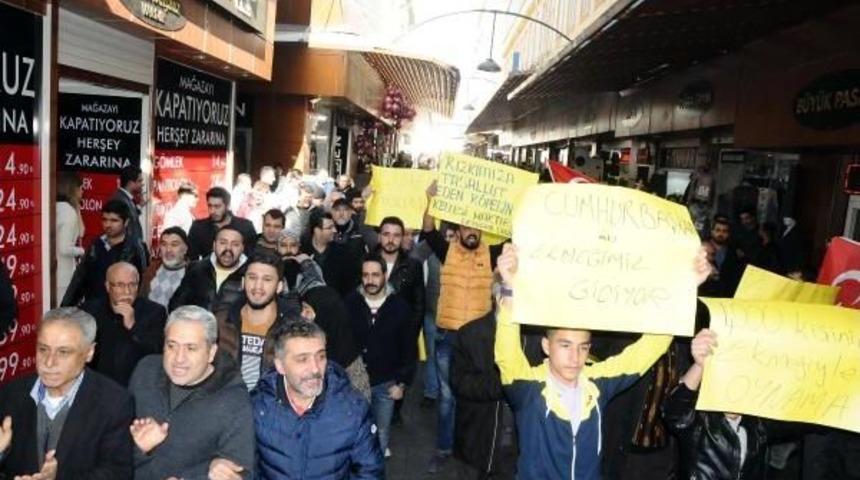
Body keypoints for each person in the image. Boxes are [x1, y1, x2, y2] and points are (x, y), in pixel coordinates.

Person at [493, 243, 711, 479]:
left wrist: (686, 288)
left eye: (583, 347)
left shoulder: (596, 383)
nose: (575, 357)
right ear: (547, 346)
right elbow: (506, 351)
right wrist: (509, 286)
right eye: (565, 345)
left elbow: (647, 349)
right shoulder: (527, 386)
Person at [421, 182, 504, 472]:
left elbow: (516, 238)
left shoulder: (492, 255)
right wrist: (430, 200)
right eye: (467, 227)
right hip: (448, 336)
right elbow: (428, 230)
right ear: (458, 230)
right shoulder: (446, 251)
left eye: (476, 228)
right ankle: (444, 448)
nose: (472, 232)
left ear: (482, 231)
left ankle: (470, 449)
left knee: (474, 396)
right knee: (447, 397)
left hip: (479, 342)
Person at [0, 307, 134, 478]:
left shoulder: (114, 403)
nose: (49, 362)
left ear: (89, 353)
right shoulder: (11, 393)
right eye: (43, 349)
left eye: (63, 352)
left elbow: (117, 473)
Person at [128, 305, 255, 479]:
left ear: (211, 352)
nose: (179, 358)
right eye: (171, 346)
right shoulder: (146, 372)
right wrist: (138, 448)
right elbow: (110, 448)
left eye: (191, 348)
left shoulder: (234, 402)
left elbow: (240, 474)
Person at [664, 329, 807, 480]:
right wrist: (699, 365)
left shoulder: (758, 425)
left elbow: (803, 419)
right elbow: (674, 410)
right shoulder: (701, 421)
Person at [252, 321, 384, 479]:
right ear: (280, 366)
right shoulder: (258, 407)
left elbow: (370, 472)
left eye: (321, 356)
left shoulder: (352, 409)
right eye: (302, 359)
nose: (315, 368)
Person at [451, 308, 544, 480]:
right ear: (497, 297)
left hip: (516, 449)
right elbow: (460, 382)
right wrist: (506, 385)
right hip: (475, 442)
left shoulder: (538, 338)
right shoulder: (471, 333)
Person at [344, 254, 416, 457]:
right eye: (366, 275)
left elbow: (408, 348)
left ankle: (376, 470)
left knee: (381, 434)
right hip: (354, 383)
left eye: (375, 275)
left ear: (385, 275)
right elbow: (342, 343)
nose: (370, 280)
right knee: (355, 433)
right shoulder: (349, 303)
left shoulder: (400, 308)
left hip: (386, 384)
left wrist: (401, 383)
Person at [217, 252, 303, 391]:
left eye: (267, 279)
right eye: (252, 277)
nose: (258, 286)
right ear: (243, 282)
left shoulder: (294, 328)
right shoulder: (220, 322)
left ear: (279, 287)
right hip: (227, 399)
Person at [82, 262, 166, 385]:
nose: (127, 291)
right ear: (108, 286)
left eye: (132, 285)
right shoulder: (90, 311)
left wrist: (133, 326)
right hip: (98, 384)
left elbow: (157, 352)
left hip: (136, 385)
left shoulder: (154, 312)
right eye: (120, 285)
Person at [62, 199, 145, 307]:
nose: (108, 224)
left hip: (121, 309)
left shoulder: (134, 248)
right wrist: (65, 309)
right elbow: (79, 280)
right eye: (105, 220)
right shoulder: (95, 245)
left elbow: (141, 285)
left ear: (126, 222)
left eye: (114, 220)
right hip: (94, 308)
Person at [169, 225, 248, 315]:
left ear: (242, 248)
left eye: (235, 244)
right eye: (223, 243)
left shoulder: (250, 273)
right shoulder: (196, 269)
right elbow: (177, 305)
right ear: (214, 245)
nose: (228, 248)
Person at [187, 187, 257, 260]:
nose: (212, 211)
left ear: (227, 206)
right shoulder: (198, 227)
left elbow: (252, 256)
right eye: (210, 206)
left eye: (217, 206)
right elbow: (191, 257)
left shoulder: (245, 227)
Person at [302, 210, 359, 296]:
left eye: (334, 226)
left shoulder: (344, 253)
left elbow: (351, 285)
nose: (334, 230)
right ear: (317, 230)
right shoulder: (302, 252)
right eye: (329, 228)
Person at [140, 227, 189, 310]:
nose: (168, 250)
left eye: (174, 245)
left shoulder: (193, 274)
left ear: (185, 249)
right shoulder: (151, 270)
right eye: (164, 244)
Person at [109, 165, 148, 267]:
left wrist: (139, 207)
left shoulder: (125, 199)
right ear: (131, 183)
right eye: (139, 181)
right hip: (126, 258)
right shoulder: (120, 200)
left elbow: (129, 218)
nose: (142, 184)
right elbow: (120, 230)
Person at [55, 172, 85, 304]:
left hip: (58, 272)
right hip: (64, 274)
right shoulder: (68, 212)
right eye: (80, 188)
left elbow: (81, 232)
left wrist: (77, 209)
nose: (82, 191)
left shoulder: (58, 207)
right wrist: (82, 251)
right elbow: (64, 247)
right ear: (73, 189)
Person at [699, 216, 745, 298]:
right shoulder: (701, 247)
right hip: (703, 294)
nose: (721, 234)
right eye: (718, 230)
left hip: (725, 296)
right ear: (712, 231)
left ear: (728, 234)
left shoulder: (734, 253)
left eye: (724, 231)